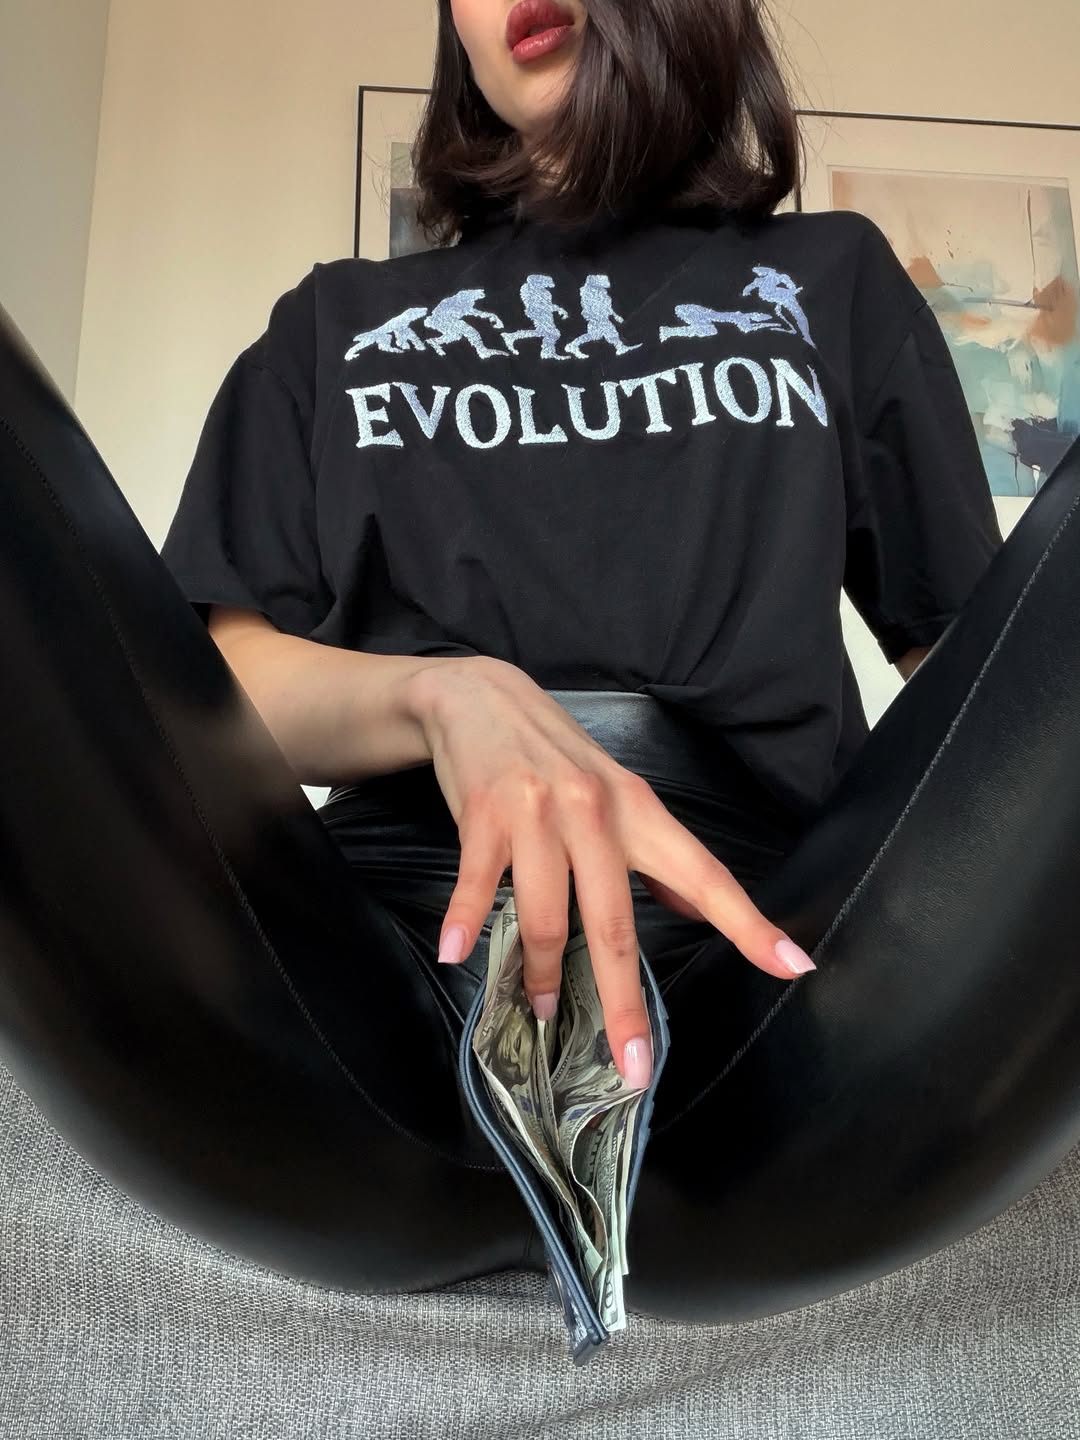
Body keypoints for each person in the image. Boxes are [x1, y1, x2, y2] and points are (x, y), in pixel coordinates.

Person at [159, 0, 1001, 1097]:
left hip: (765, 958)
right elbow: (215, 689)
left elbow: (979, 696)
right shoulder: (332, 321)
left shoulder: (829, 276)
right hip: (388, 955)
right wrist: (447, 697)